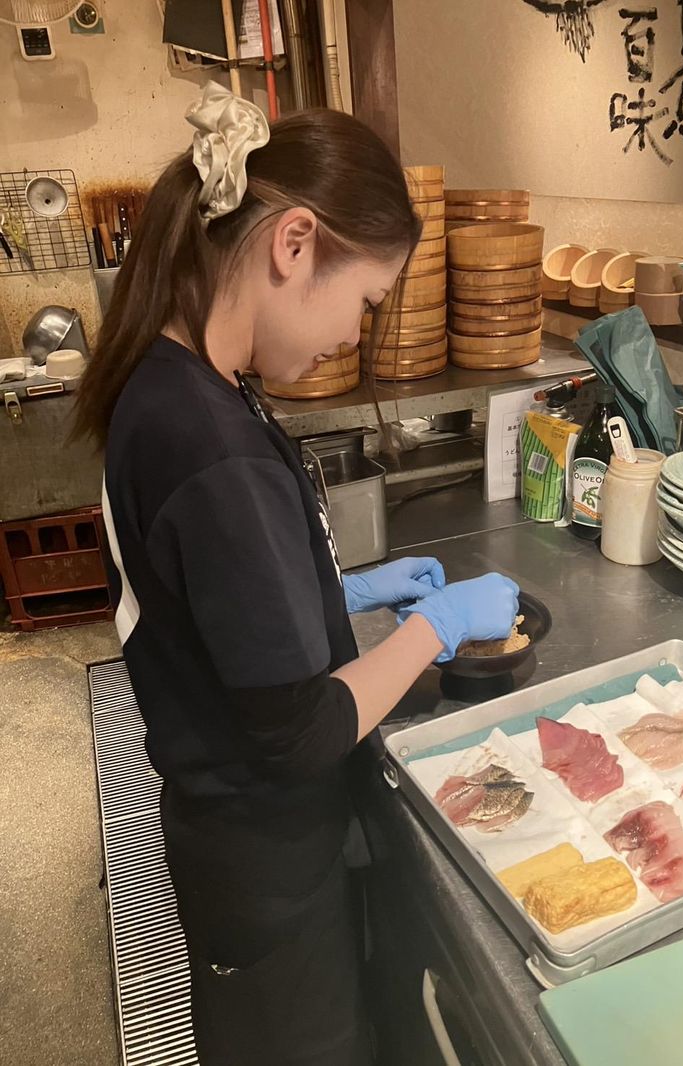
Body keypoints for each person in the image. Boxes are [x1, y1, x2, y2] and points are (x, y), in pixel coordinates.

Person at [73, 82, 519, 1066]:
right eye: (363, 301)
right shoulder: (209, 446)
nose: (353, 334)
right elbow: (297, 731)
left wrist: (340, 592)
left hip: (232, 849)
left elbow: (197, 602)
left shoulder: (177, 382)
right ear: (293, 244)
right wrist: (434, 628)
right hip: (266, 861)